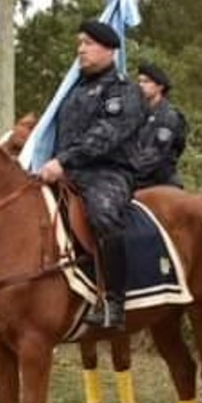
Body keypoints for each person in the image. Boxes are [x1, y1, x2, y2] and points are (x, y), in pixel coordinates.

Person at [38, 18, 146, 330]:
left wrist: (64, 160)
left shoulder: (123, 90)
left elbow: (106, 134)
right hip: (67, 170)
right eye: (79, 43)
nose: (80, 49)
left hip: (107, 172)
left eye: (88, 43)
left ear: (111, 50)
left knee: (104, 215)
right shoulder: (72, 91)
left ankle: (114, 300)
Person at [132, 62, 188, 190]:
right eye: (139, 81)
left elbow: (154, 155)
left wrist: (126, 172)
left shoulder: (169, 116)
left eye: (146, 82)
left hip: (161, 184)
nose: (140, 85)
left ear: (160, 87)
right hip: (137, 182)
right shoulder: (136, 114)